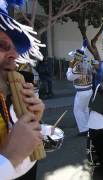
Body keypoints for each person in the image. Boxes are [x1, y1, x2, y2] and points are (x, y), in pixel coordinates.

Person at [0, 1, 45, 179]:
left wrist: (31, 121)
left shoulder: (6, 98)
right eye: (3, 45)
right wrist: (9, 159)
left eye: (14, 48)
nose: (15, 55)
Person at [66, 40, 93, 136]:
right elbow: (82, 52)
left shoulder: (77, 67)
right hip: (88, 90)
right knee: (85, 109)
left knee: (77, 110)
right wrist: (83, 48)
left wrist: (69, 67)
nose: (72, 59)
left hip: (82, 92)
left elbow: (69, 77)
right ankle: (88, 126)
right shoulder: (87, 64)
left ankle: (84, 129)